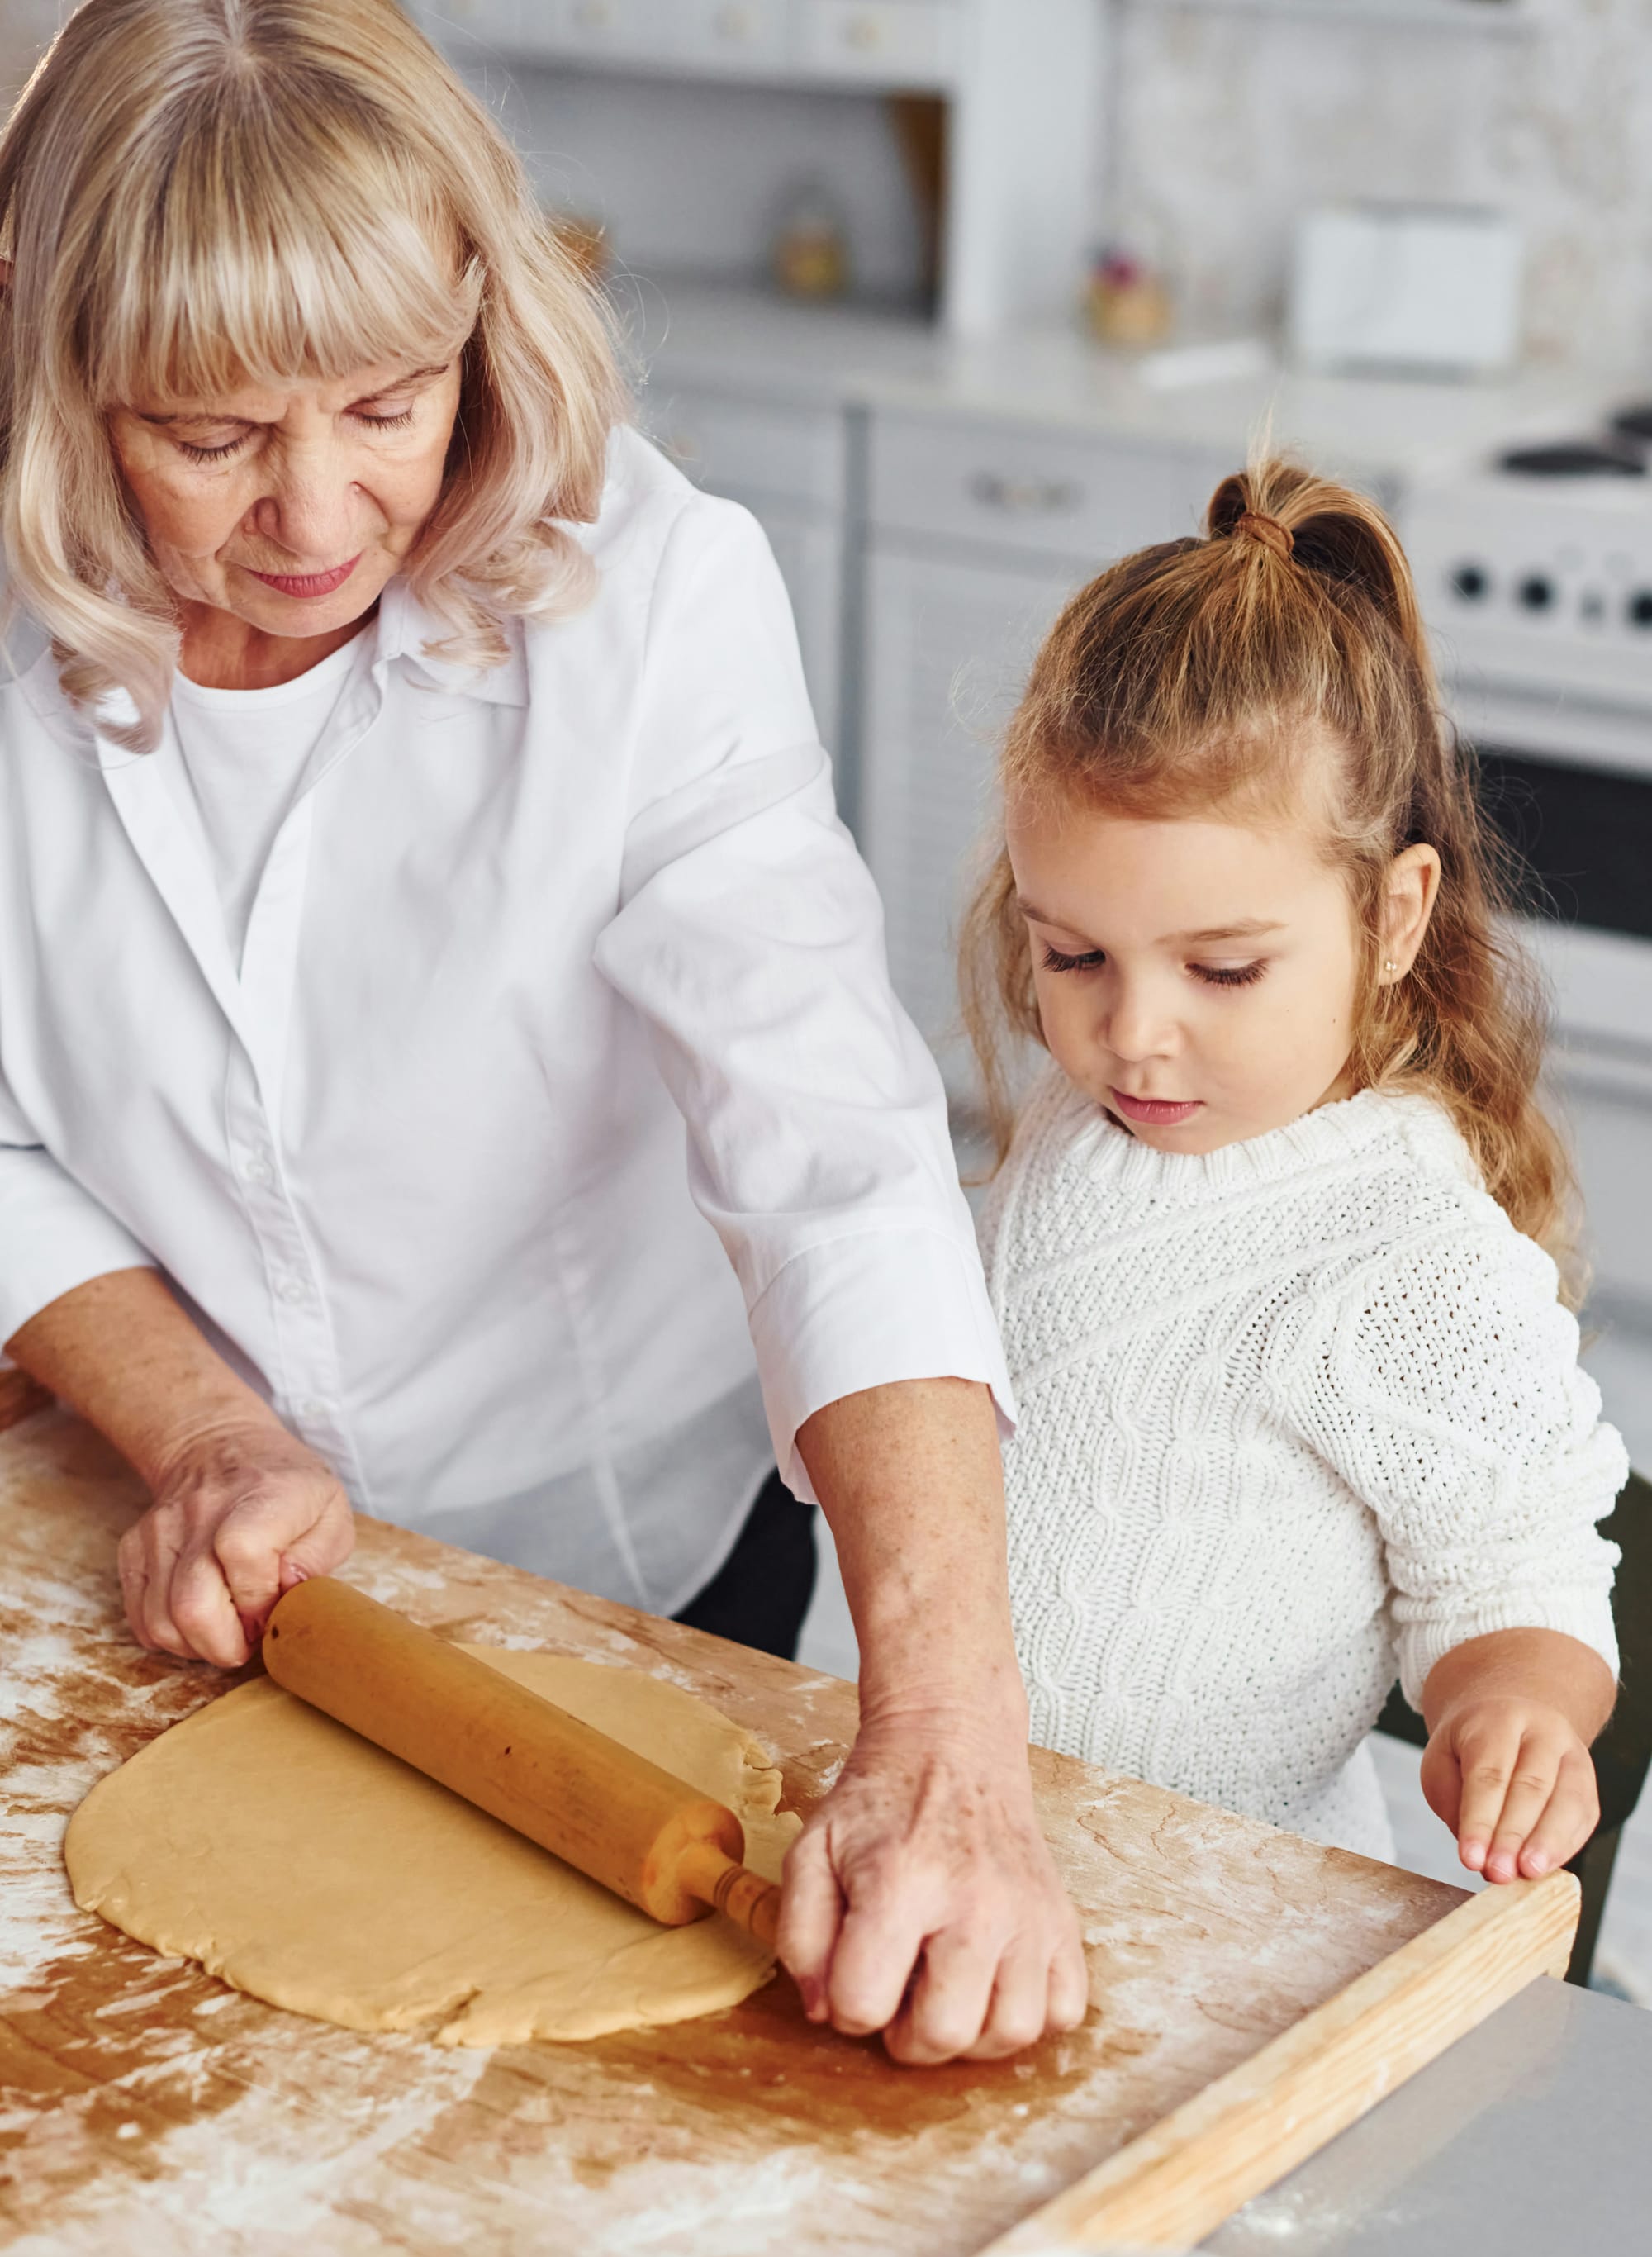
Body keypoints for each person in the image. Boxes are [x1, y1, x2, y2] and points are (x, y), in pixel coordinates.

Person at [0, 0, 1086, 2065]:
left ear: (485, 324)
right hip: (225, 1561)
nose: (316, 517)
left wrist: (947, 1734)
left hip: (638, 1529)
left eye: (390, 403)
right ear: (51, 383)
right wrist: (208, 1433)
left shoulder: (654, 597)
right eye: (209, 436)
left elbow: (829, 1144)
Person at [961, 460, 1627, 1880]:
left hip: (1226, 1903)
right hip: (981, 1838)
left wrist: (1509, 1705)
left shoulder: (1407, 1255)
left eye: (1224, 967)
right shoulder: (1095, 1124)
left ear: (1393, 918)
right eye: (1072, 952)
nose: (1132, 1035)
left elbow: (1523, 1574)